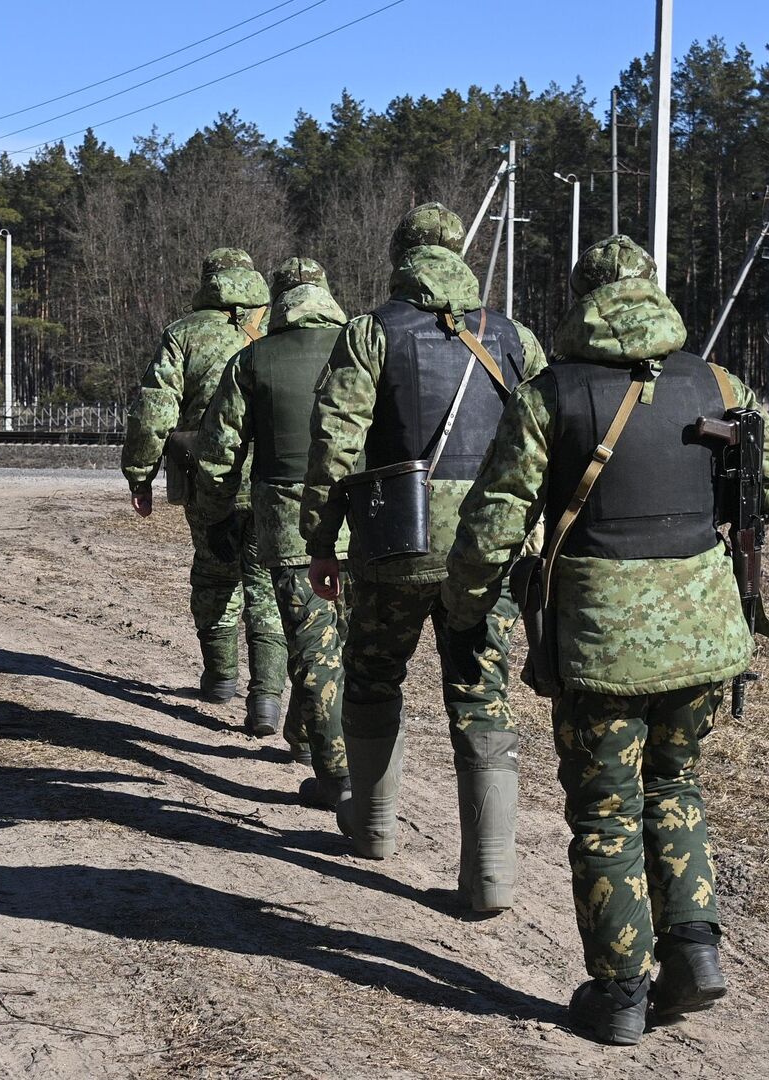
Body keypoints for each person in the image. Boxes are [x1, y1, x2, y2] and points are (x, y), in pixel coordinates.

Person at [440, 235, 769, 1044]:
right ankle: (696, 953)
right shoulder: (718, 383)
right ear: (653, 292)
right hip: (707, 636)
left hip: (603, 644)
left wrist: (467, 608)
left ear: (583, 298)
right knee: (676, 789)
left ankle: (618, 997)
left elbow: (495, 524)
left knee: (606, 815)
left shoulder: (553, 394)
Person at [300, 203, 546, 914]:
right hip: (488, 550)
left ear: (401, 257)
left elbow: (335, 444)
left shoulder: (372, 332)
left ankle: (374, 827)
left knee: (374, 674)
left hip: (394, 546)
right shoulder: (512, 337)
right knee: (480, 692)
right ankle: (491, 877)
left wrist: (324, 541)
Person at [192, 257, 352, 813]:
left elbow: (218, 456)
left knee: (311, 646)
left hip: (288, 519)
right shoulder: (364, 347)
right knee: (355, 644)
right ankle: (314, 742)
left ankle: (336, 773)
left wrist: (215, 518)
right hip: (372, 517)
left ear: (276, 300)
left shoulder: (253, 358)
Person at [122, 249, 286, 731]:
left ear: (209, 281)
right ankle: (267, 700)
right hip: (273, 478)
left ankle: (218, 679)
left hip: (206, 478)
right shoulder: (281, 327)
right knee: (266, 586)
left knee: (215, 575)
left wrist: (139, 473)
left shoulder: (185, 333)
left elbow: (155, 410)